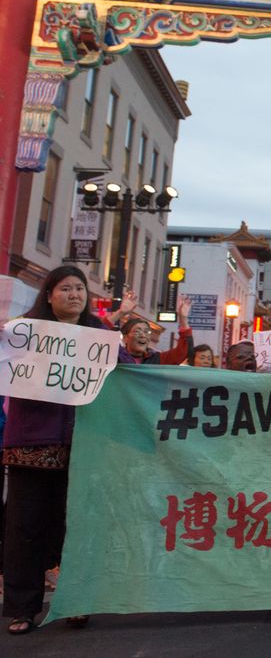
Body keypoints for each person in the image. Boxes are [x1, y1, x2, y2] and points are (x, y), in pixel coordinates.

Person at [3, 266, 100, 634]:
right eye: (65, 288)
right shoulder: (23, 331)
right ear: (49, 294)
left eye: (80, 288)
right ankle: (22, 609)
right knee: (25, 528)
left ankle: (76, 601)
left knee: (77, 526)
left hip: (85, 445)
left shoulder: (100, 336)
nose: (75, 295)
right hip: (31, 442)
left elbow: (126, 372)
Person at [117, 296, 193, 365]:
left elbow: (183, 352)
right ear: (125, 337)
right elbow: (104, 332)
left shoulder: (157, 360)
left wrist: (183, 320)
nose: (143, 335)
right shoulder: (115, 357)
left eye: (147, 332)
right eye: (137, 331)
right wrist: (120, 313)